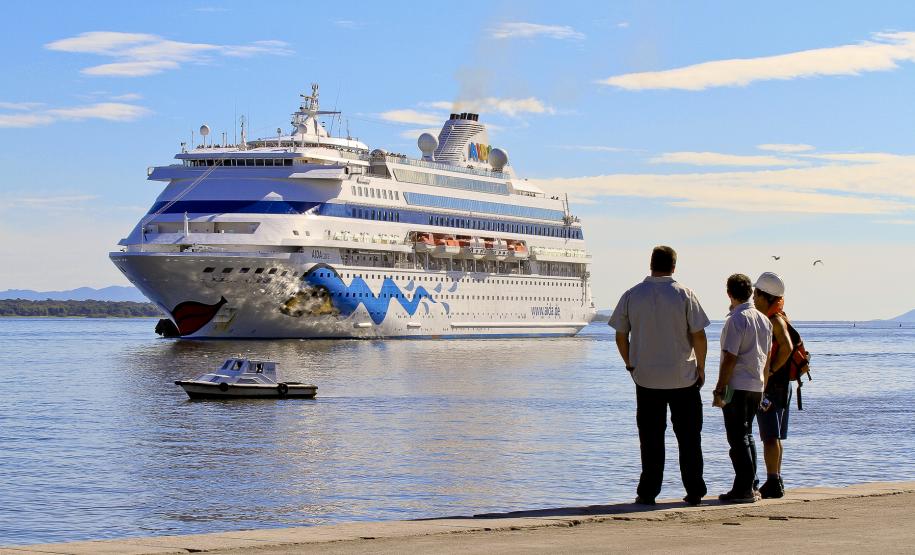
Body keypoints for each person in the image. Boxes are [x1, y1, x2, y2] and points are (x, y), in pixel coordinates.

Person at [609, 246, 710, 506]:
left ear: (650, 264)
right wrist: (701, 367)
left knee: (651, 439)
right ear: (674, 267)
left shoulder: (632, 295)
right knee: (689, 437)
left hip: (647, 378)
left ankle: (648, 492)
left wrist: (630, 363)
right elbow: (698, 334)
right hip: (683, 376)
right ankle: (695, 490)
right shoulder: (685, 294)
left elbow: (621, 335)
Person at [713, 274, 772, 503]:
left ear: (729, 293)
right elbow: (766, 359)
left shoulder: (736, 320)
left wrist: (720, 388)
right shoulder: (764, 320)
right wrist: (763, 387)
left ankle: (744, 488)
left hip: (737, 385)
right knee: (747, 436)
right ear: (750, 292)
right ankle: (750, 485)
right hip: (756, 385)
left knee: (737, 439)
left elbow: (730, 357)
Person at [752, 271, 793, 499]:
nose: (753, 297)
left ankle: (773, 481)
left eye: (756, 293)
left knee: (769, 436)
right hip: (782, 386)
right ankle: (776, 478)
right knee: (775, 436)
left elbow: (786, 347)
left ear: (764, 296)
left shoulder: (774, 320)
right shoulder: (781, 316)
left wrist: (770, 371)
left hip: (773, 386)